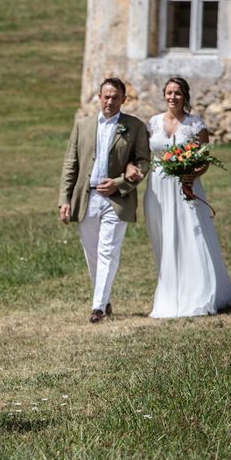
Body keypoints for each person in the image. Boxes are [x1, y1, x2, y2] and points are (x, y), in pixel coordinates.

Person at [135, 77, 231, 318]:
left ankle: (201, 293)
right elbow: (144, 154)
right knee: (163, 237)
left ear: (185, 96)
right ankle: (170, 291)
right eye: (169, 93)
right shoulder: (153, 123)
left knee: (192, 233)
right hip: (158, 188)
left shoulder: (196, 125)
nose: (173, 97)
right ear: (164, 95)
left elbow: (204, 161)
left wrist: (191, 175)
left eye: (178, 93)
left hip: (186, 186)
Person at [59, 78, 150, 323]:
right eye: (106, 97)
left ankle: (97, 308)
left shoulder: (135, 126)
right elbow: (71, 164)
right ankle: (105, 298)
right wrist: (64, 199)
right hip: (87, 198)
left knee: (108, 251)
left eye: (115, 97)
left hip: (116, 201)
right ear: (99, 98)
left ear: (124, 99)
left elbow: (144, 162)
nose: (110, 101)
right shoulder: (82, 126)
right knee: (92, 254)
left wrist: (120, 182)